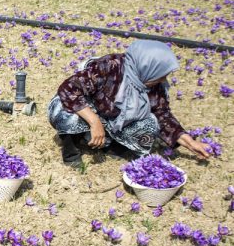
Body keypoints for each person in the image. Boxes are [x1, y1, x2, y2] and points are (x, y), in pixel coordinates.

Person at [47, 40, 211, 166]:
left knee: (151, 123)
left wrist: (191, 143)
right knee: (64, 112)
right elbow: (68, 89)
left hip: (114, 119)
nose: (164, 80)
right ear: (148, 67)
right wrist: (94, 121)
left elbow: (163, 115)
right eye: (161, 75)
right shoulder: (109, 67)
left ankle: (112, 146)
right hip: (90, 110)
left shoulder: (151, 83)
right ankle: (71, 151)